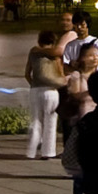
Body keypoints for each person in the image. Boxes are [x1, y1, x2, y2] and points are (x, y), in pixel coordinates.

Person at [57, 48, 98, 194]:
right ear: (81, 58)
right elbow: (74, 95)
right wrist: (93, 92)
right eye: (90, 55)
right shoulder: (77, 77)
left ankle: (94, 192)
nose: (94, 58)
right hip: (82, 123)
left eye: (96, 55)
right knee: (81, 161)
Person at [24, 29, 65, 160]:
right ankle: (48, 152)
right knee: (50, 122)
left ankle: (31, 151)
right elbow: (60, 73)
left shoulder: (33, 52)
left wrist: (33, 83)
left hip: (35, 90)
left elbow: (26, 74)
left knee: (36, 121)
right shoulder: (55, 56)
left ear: (39, 40)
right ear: (53, 41)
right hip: (51, 91)